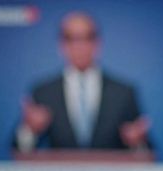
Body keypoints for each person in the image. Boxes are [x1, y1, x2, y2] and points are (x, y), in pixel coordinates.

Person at [14, 11, 151, 152]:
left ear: (98, 43)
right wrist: (29, 131)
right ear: (61, 45)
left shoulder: (124, 93)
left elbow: (146, 151)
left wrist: (137, 142)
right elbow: (18, 150)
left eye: (87, 37)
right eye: (71, 38)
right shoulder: (43, 92)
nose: (79, 45)